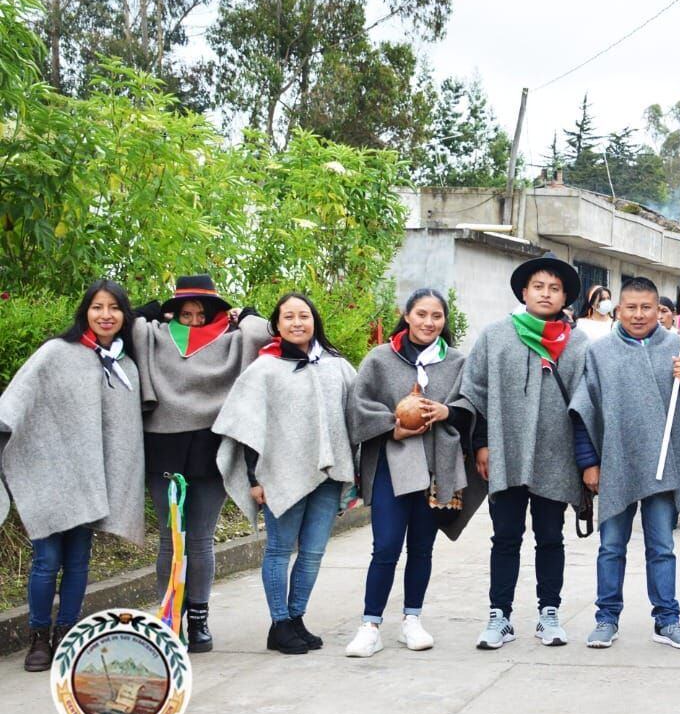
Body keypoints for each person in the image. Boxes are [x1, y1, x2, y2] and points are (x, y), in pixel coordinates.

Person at [1, 281, 145, 672]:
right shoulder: (56, 353)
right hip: (49, 475)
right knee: (46, 560)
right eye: (97, 307)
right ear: (85, 311)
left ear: (124, 316)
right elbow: (17, 397)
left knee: (79, 560)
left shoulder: (125, 367)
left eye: (114, 307)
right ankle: (38, 639)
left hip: (88, 481)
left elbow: (124, 435)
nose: (105, 315)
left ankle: (67, 633)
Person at [450, 253, 588, 650]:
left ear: (565, 298)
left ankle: (549, 613)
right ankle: (500, 616)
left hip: (555, 455)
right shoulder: (495, 335)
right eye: (538, 287)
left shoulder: (576, 343)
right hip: (505, 454)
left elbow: (586, 403)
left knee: (550, 537)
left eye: (555, 288)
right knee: (505, 537)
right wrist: (482, 444)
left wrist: (585, 461)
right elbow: (474, 392)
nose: (546, 294)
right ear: (524, 292)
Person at [132, 274, 272, 652]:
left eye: (201, 313)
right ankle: (169, 620)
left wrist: (247, 313)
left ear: (215, 314)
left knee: (200, 539)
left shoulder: (230, 340)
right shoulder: (155, 335)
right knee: (169, 539)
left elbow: (265, 332)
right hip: (164, 445)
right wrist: (153, 309)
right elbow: (124, 321)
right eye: (185, 312)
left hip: (211, 446)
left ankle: (198, 619)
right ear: (172, 312)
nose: (193, 320)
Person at [571, 277, 680, 650]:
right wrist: (589, 462)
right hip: (617, 462)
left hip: (663, 467)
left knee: (662, 547)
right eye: (630, 307)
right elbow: (584, 409)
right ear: (618, 310)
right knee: (611, 546)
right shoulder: (599, 353)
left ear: (659, 310)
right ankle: (606, 618)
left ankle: (667, 619)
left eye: (646, 307)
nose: (638, 315)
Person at [214, 293, 357, 655]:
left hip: (329, 475)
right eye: (288, 317)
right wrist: (254, 479)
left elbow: (354, 415)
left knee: (312, 553)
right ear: (276, 325)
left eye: (304, 315)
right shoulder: (264, 369)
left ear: (314, 321)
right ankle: (279, 623)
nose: (297, 323)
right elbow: (246, 426)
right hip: (278, 474)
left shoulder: (337, 366)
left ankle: (296, 618)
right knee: (279, 550)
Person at [344, 289, 485, 657]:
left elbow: (470, 404)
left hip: (437, 465)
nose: (428, 322)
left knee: (422, 547)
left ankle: (412, 619)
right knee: (386, 546)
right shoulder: (379, 359)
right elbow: (358, 409)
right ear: (406, 315)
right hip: (393, 463)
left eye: (437, 316)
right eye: (421, 314)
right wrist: (393, 426)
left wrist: (446, 412)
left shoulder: (456, 362)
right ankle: (370, 624)